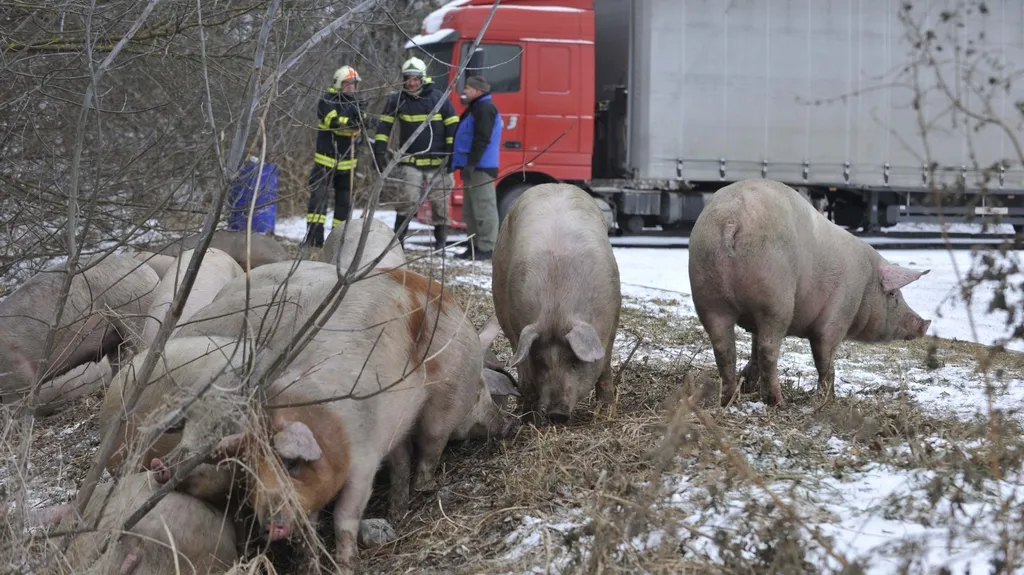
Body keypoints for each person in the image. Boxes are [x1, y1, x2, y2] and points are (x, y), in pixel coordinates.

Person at [372, 56, 460, 249]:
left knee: (440, 205)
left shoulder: (438, 98)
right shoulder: (397, 100)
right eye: (408, 79)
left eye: (415, 79)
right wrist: (379, 151)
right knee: (407, 202)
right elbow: (384, 127)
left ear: (423, 78)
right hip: (411, 162)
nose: (411, 83)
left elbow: (453, 126)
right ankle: (397, 245)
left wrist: (452, 154)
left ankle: (440, 246)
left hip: (439, 163)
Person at [304, 65, 366, 248]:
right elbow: (332, 121)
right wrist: (350, 122)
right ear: (339, 83)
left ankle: (337, 242)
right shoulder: (327, 100)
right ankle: (314, 239)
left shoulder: (358, 102)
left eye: (354, 84)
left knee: (344, 204)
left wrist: (364, 120)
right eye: (347, 83)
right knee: (318, 202)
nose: (351, 87)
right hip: (325, 161)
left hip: (348, 164)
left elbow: (361, 123)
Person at [450, 75, 503, 261]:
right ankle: (474, 245)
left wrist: (472, 163)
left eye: (468, 88)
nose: (465, 91)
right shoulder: (476, 107)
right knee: (470, 210)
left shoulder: (485, 108)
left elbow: (482, 139)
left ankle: (487, 247)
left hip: (481, 168)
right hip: (473, 166)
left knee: (483, 208)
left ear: (478, 91)